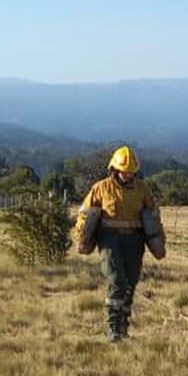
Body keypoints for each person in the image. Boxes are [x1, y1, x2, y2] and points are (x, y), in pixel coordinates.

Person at [76, 145, 166, 341]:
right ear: (114, 170)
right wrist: (82, 237)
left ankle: (124, 327)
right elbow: (85, 213)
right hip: (109, 239)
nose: (127, 175)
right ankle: (113, 328)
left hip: (135, 239)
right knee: (116, 280)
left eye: (131, 172)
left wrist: (158, 240)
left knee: (130, 284)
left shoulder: (142, 190)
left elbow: (153, 215)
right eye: (124, 171)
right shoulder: (100, 188)